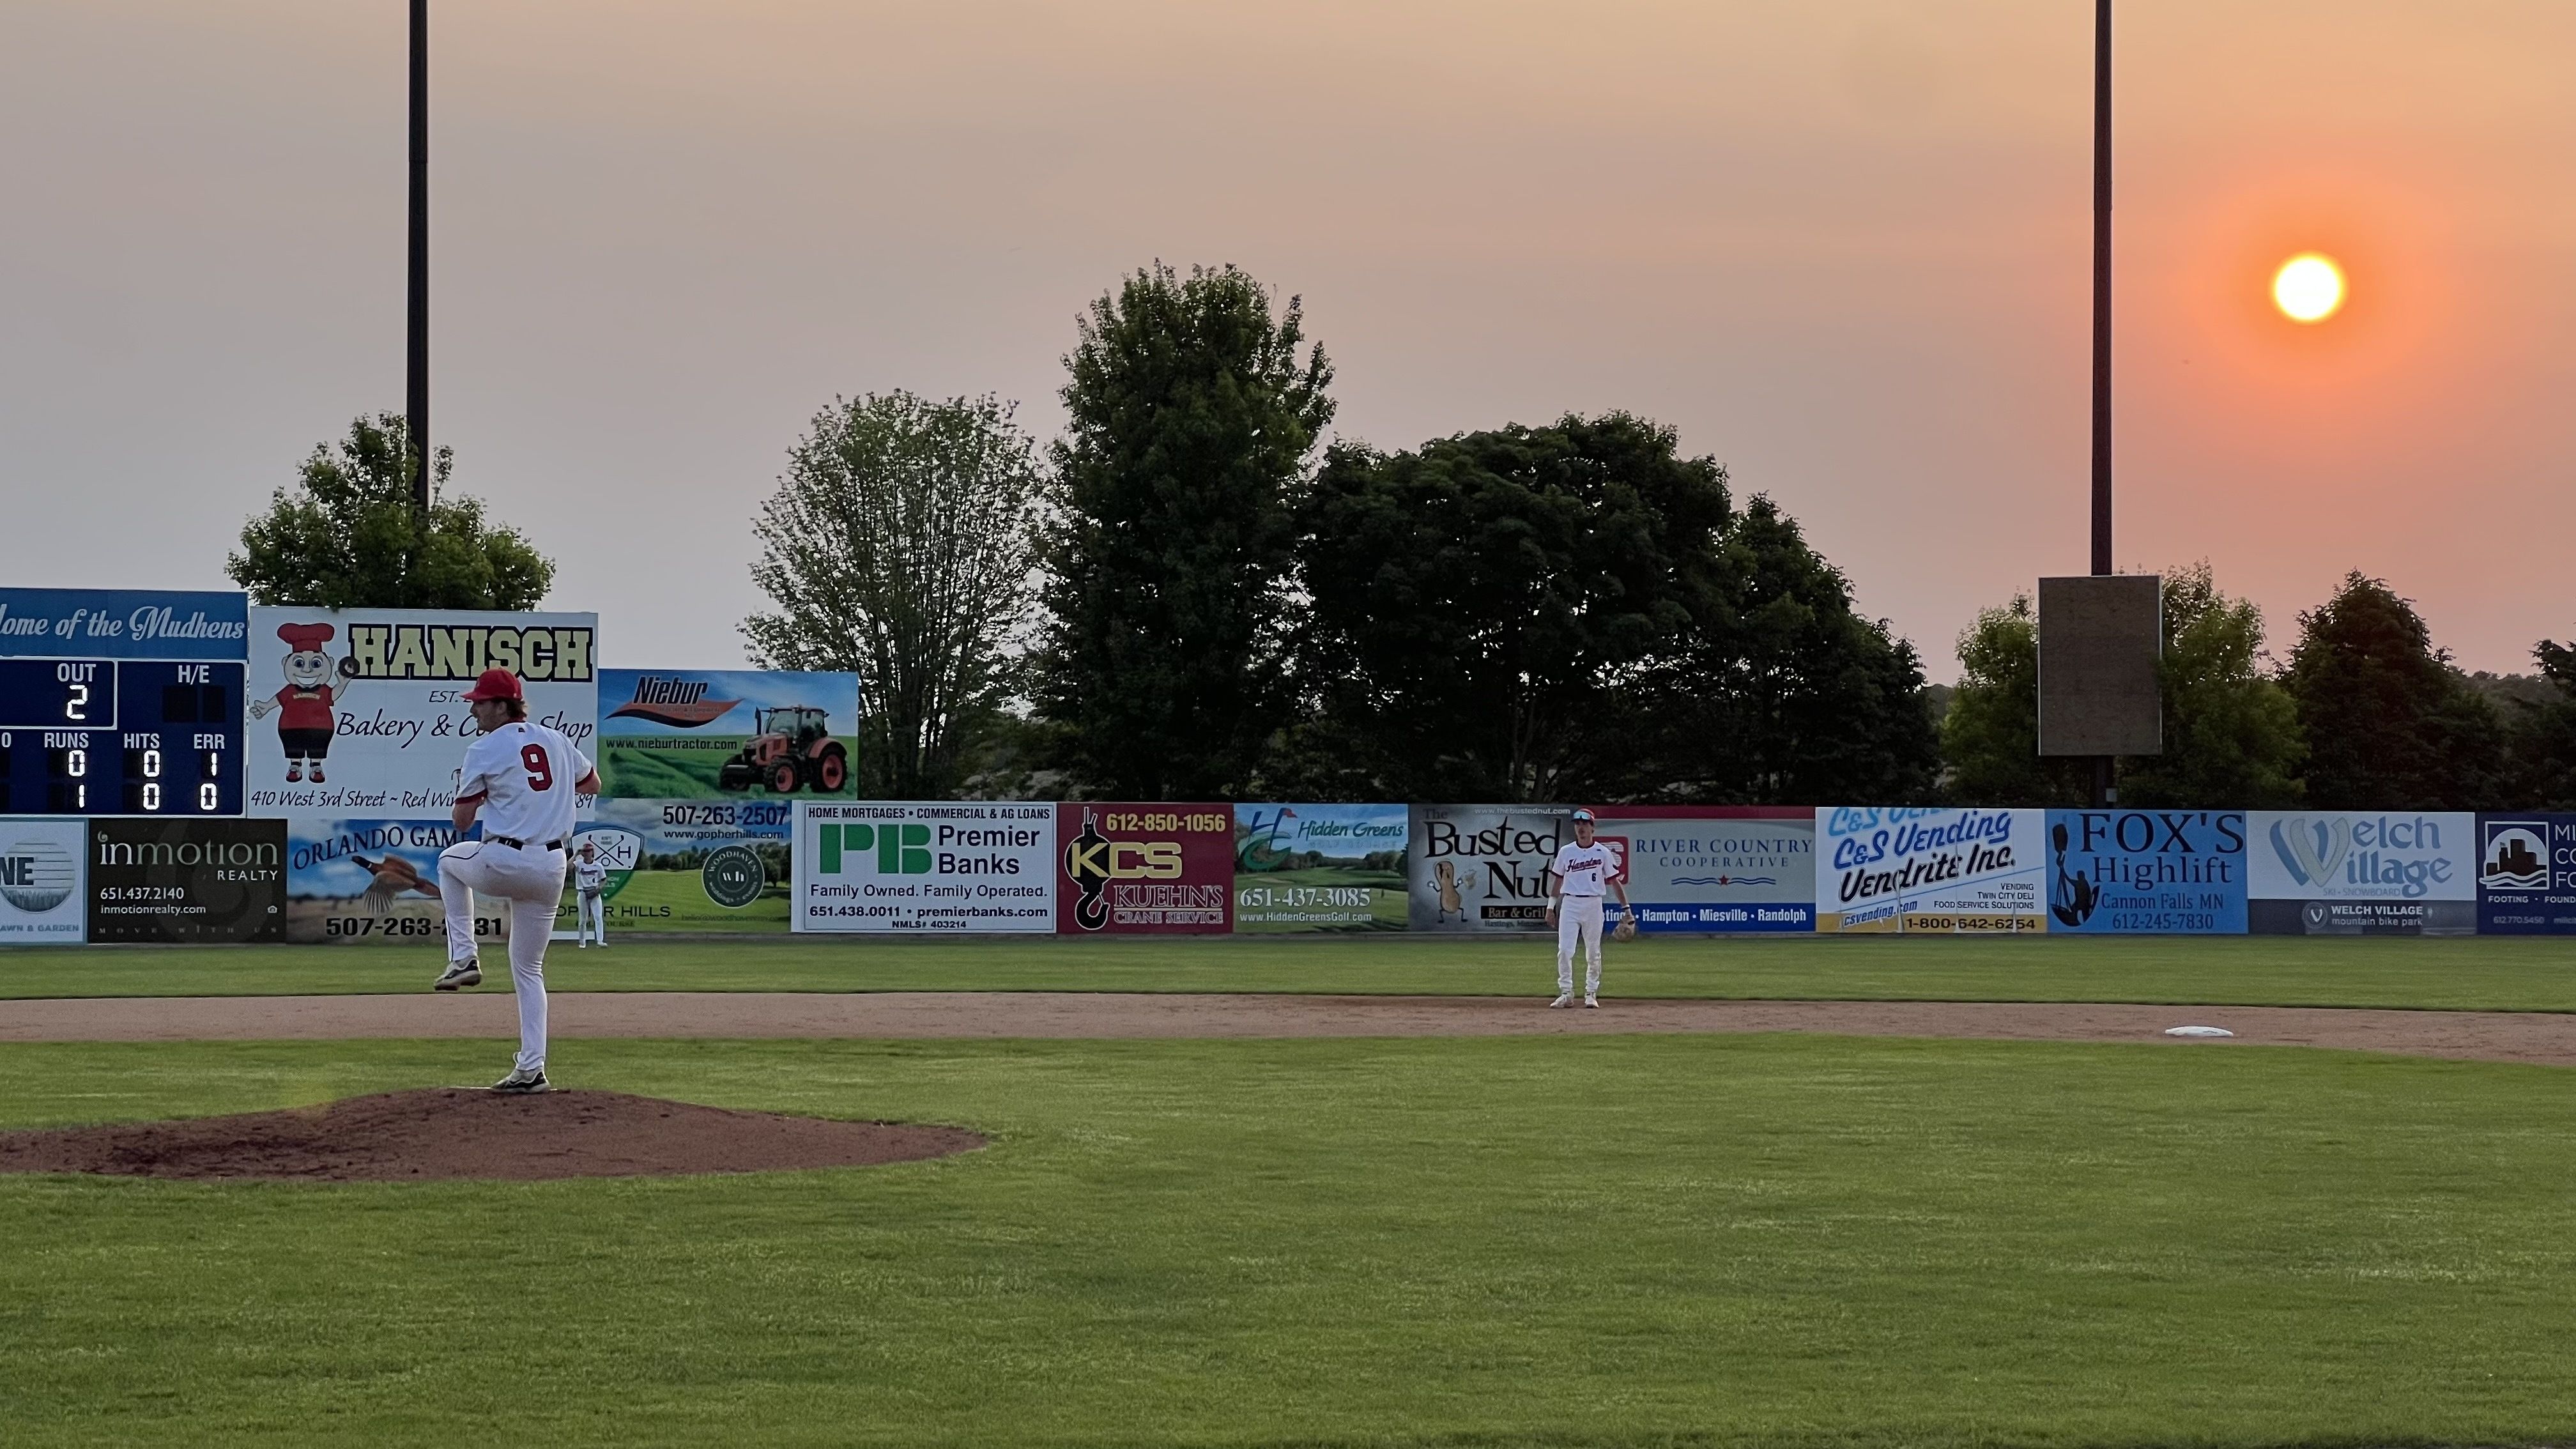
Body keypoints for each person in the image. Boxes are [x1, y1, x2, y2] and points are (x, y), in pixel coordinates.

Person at [431, 669, 599, 1093]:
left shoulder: (485, 747)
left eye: (480, 702)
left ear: (502, 706)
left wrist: (485, 793)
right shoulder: (557, 740)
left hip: (506, 857)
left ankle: (464, 958)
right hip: (551, 868)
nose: (473, 708)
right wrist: (544, 796)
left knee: (449, 862)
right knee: (529, 970)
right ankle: (532, 1069)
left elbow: (463, 820)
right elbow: (593, 783)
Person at [1544, 808, 1632, 1009]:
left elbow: (1615, 882)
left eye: (1585, 824)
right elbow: (1558, 880)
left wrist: (1626, 908)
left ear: (1593, 827)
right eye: (1577, 824)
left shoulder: (1602, 852)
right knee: (1565, 951)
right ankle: (1566, 993)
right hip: (1570, 903)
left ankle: (1591, 993)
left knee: (1593, 952)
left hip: (1593, 904)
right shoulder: (1566, 852)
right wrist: (1551, 907)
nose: (1580, 827)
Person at [572, 840, 608, 948]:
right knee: (583, 919)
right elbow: (568, 867)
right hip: (582, 892)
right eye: (585, 851)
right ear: (582, 853)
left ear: (592, 852)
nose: (587, 853)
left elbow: (604, 879)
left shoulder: (598, 865)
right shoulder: (578, 863)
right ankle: (582, 942)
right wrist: (575, 854)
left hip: (594, 892)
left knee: (598, 917)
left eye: (589, 851)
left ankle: (600, 941)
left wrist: (599, 888)